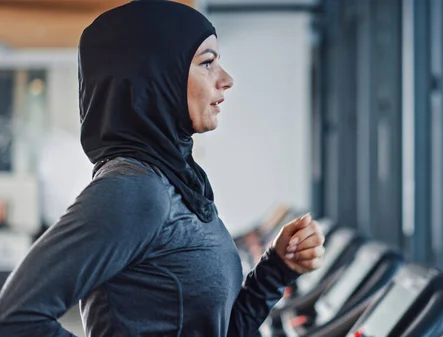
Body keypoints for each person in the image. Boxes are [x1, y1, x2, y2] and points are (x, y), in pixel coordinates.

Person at [0, 1, 325, 336]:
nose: (226, 79)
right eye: (207, 63)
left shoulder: (180, 183)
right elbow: (15, 318)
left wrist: (275, 270)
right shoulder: (133, 190)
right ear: (156, 77)